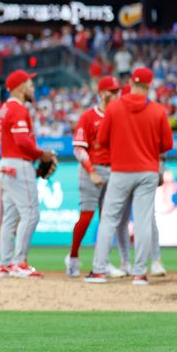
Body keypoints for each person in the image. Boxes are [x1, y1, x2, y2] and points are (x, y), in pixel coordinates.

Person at [86, 67, 174, 286]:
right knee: (143, 220)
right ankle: (139, 273)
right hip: (147, 171)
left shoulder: (114, 108)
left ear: (131, 84)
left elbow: (103, 139)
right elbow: (167, 145)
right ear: (148, 85)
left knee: (109, 219)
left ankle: (98, 271)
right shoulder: (157, 110)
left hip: (121, 170)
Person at [0, 69, 57, 278]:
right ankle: (19, 263)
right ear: (20, 87)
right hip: (18, 164)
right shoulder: (18, 110)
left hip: (6, 163)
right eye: (29, 84)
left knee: (10, 218)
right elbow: (22, 141)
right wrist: (42, 155)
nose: (32, 87)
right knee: (31, 214)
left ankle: (4, 264)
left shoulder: (3, 109)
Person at [66, 76, 130, 277]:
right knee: (86, 216)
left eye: (117, 91)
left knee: (108, 219)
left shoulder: (119, 116)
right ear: (102, 93)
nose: (115, 94)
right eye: (112, 91)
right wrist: (92, 171)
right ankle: (73, 257)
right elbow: (79, 148)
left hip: (114, 170)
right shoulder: (88, 116)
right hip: (91, 170)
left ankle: (102, 261)